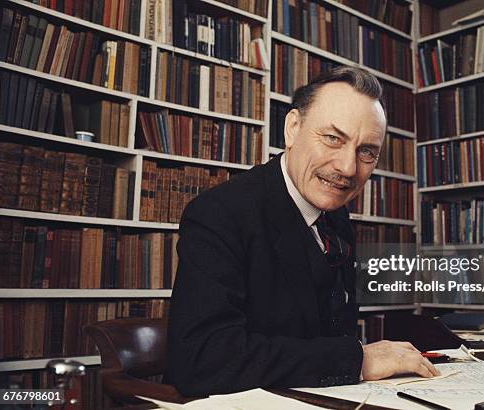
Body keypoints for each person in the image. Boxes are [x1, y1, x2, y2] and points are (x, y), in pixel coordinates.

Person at [165, 66, 440, 396]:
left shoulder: (336, 218)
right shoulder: (219, 214)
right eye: (333, 138)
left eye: (366, 151)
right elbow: (202, 360)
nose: (348, 168)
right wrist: (358, 359)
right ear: (293, 128)